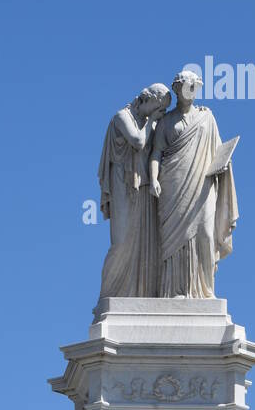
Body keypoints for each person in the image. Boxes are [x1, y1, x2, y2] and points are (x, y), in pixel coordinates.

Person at [149, 69, 238, 299]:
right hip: (172, 183)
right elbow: (156, 153)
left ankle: (205, 291)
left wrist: (224, 165)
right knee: (173, 241)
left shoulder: (207, 117)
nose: (191, 91)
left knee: (206, 234)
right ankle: (175, 291)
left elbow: (218, 150)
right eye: (186, 86)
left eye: (194, 87)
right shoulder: (166, 122)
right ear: (177, 89)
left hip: (203, 182)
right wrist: (153, 179)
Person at [98, 82, 172, 299]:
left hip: (146, 186)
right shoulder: (123, 117)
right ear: (146, 100)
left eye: (164, 110)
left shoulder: (153, 123)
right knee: (121, 242)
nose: (162, 113)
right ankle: (108, 295)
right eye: (159, 107)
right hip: (123, 184)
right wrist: (151, 121)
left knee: (146, 242)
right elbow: (138, 141)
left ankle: (142, 294)